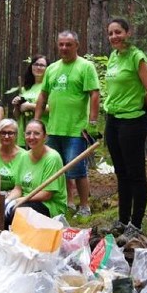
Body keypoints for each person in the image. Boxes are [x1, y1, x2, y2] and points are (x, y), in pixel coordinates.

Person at [103, 18, 147, 246]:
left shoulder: (137, 57)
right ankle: (122, 220)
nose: (114, 36)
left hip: (133, 121)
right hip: (113, 119)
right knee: (121, 172)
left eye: (119, 32)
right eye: (111, 33)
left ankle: (136, 224)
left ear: (128, 32)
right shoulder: (113, 57)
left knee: (135, 173)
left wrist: (138, 108)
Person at [35, 32, 100, 217]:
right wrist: (37, 120)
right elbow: (43, 95)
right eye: (61, 44)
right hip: (53, 128)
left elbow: (94, 94)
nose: (64, 48)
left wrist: (93, 121)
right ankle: (68, 202)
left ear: (77, 45)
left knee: (76, 168)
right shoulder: (52, 68)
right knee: (57, 168)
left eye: (68, 44)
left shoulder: (86, 66)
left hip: (76, 129)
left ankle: (84, 205)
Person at [3, 119, 67, 228]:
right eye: (28, 133)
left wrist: (19, 200)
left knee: (19, 212)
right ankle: (4, 236)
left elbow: (47, 194)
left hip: (49, 205)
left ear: (45, 137)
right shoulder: (23, 157)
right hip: (25, 202)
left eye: (36, 133)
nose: (31, 137)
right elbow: (18, 188)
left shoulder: (52, 158)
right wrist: (8, 201)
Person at [10, 54, 48, 148]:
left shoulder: (48, 87)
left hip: (41, 134)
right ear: (31, 67)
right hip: (24, 135)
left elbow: (51, 108)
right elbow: (17, 115)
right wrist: (17, 106)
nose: (38, 67)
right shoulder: (25, 89)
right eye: (36, 64)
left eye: (42, 65)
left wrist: (29, 106)